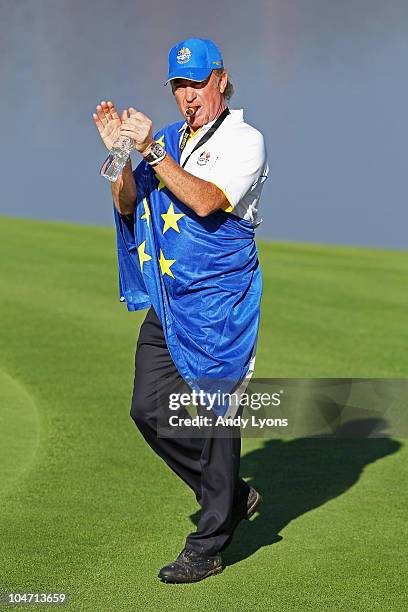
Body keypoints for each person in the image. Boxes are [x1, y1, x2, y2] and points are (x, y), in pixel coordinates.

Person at [93, 37, 269, 583]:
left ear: (220, 79)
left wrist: (150, 152)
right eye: (178, 86)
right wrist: (122, 157)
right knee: (148, 408)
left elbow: (206, 200)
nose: (187, 96)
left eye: (196, 84)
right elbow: (126, 203)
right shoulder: (168, 138)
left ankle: (209, 544)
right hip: (170, 298)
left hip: (219, 302)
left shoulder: (246, 139)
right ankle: (231, 493)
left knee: (219, 419)